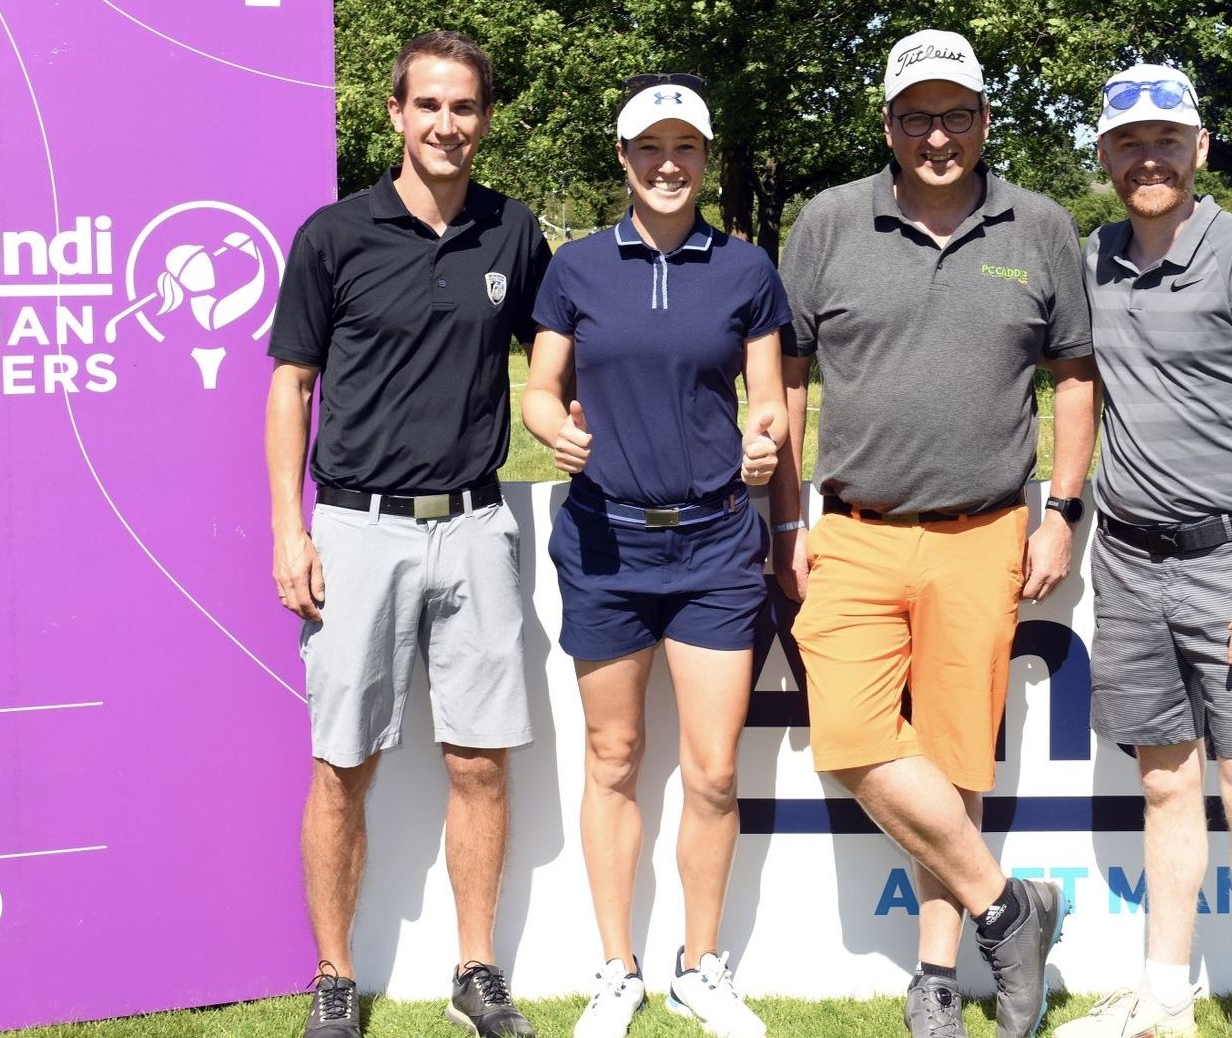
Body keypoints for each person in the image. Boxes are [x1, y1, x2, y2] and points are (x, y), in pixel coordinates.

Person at [768, 28, 1099, 1038]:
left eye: (958, 115)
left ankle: (937, 979)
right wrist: (786, 511)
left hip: (987, 528)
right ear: (888, 125)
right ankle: (1014, 908)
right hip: (855, 527)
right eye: (918, 116)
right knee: (856, 743)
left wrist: (1066, 511)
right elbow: (784, 375)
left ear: (987, 121)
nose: (939, 135)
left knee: (955, 760)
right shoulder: (827, 221)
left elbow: (1075, 375)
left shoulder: (1039, 226)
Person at [264, 30, 550, 1038]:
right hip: (356, 530)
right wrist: (286, 528)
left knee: (480, 760)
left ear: (483, 118)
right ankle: (334, 978)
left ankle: (476, 971)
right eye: (428, 105)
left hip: (475, 526)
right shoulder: (334, 236)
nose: (446, 124)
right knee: (343, 761)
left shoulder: (514, 234)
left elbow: (560, 358)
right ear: (394, 114)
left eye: (464, 107)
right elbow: (291, 385)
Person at [1053, 64, 1232, 1038]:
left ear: (1200, 148)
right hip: (1126, 562)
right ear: (1104, 158)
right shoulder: (1089, 261)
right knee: (1166, 782)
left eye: (1167, 139)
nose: (1149, 157)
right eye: (1128, 143)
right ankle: (1165, 996)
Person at [521, 71, 787, 1038]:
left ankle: (699, 968)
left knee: (714, 771)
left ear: (705, 158)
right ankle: (615, 969)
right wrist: (554, 427)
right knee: (615, 756)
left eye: (684, 148)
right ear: (624, 158)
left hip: (716, 544)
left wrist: (763, 444)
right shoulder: (576, 267)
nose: (667, 164)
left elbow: (766, 400)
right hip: (604, 543)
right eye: (649, 148)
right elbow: (540, 387)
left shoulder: (747, 269)